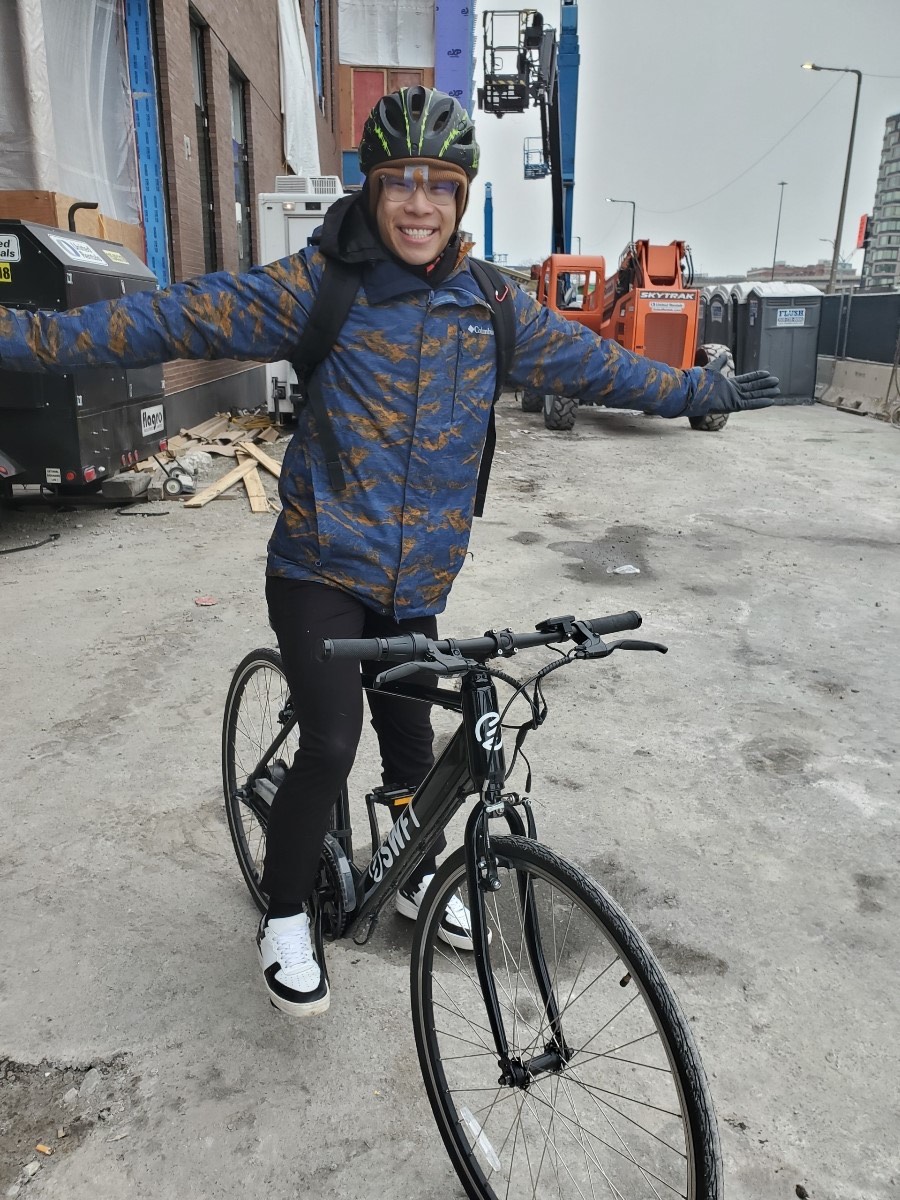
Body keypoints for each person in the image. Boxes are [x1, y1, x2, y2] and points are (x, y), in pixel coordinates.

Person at [0, 86, 785, 1018]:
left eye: (441, 186)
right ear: (374, 189)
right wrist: (27, 338)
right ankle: (286, 913)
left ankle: (414, 878)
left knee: (415, 756)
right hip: (319, 568)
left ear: (461, 198)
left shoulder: (491, 303)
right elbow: (172, 318)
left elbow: (599, 366)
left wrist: (700, 390)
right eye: (402, 182)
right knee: (333, 741)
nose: (421, 203)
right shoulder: (319, 285)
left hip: (417, 579)